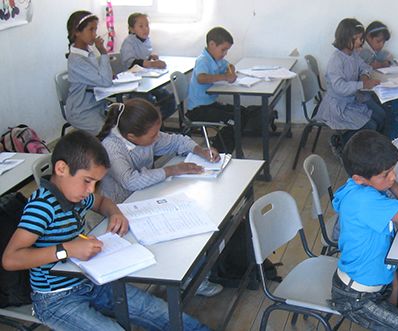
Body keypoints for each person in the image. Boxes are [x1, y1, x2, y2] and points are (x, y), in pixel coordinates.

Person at [1, 130, 210, 331]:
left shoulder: (75, 193)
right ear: (62, 169)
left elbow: (102, 201)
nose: (90, 190)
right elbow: (11, 259)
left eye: (95, 182)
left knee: (163, 313)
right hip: (55, 299)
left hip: (91, 280)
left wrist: (115, 213)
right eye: (87, 181)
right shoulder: (41, 207)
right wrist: (67, 249)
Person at [97, 98, 224, 297]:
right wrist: (171, 169)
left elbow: (176, 140)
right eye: (153, 134)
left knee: (191, 218)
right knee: (180, 228)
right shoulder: (111, 147)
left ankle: (196, 273)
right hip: (121, 208)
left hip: (145, 197)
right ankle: (188, 278)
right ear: (132, 136)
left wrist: (200, 150)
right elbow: (130, 181)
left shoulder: (145, 137)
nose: (157, 137)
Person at [330, 130, 398, 330]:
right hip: (357, 297)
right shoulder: (366, 200)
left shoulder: (363, 186)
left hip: (381, 279)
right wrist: (394, 185)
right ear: (360, 178)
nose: (393, 176)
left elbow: (387, 253)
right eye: (385, 174)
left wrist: (394, 291)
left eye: (392, 170)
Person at [314, 18, 386, 158]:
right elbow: (339, 87)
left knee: (380, 117)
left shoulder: (352, 55)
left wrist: (365, 75)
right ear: (345, 38)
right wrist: (362, 84)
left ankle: (364, 149)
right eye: (357, 38)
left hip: (350, 101)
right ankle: (341, 143)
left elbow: (364, 66)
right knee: (371, 125)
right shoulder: (336, 60)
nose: (361, 42)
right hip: (337, 107)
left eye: (361, 38)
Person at [187, 26, 244, 153]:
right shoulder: (203, 60)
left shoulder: (217, 59)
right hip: (198, 109)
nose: (225, 54)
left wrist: (231, 72)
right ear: (212, 44)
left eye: (227, 50)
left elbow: (229, 65)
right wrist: (224, 77)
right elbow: (201, 78)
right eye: (223, 50)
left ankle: (222, 145)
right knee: (234, 120)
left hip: (210, 104)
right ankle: (219, 152)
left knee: (241, 112)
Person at [120, 13, 176, 121]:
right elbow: (131, 63)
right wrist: (151, 64)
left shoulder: (145, 40)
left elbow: (143, 57)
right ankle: (149, 124)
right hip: (134, 86)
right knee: (148, 103)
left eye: (147, 25)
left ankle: (156, 122)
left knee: (169, 99)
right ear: (132, 29)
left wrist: (150, 57)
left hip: (146, 82)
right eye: (141, 26)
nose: (145, 29)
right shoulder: (129, 42)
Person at [65, 11, 113, 135]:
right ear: (77, 32)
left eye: (95, 30)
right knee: (109, 135)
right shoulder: (76, 60)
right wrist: (103, 52)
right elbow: (105, 81)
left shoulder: (88, 51)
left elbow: (100, 77)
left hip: (97, 106)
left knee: (124, 123)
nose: (94, 34)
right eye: (91, 30)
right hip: (82, 111)